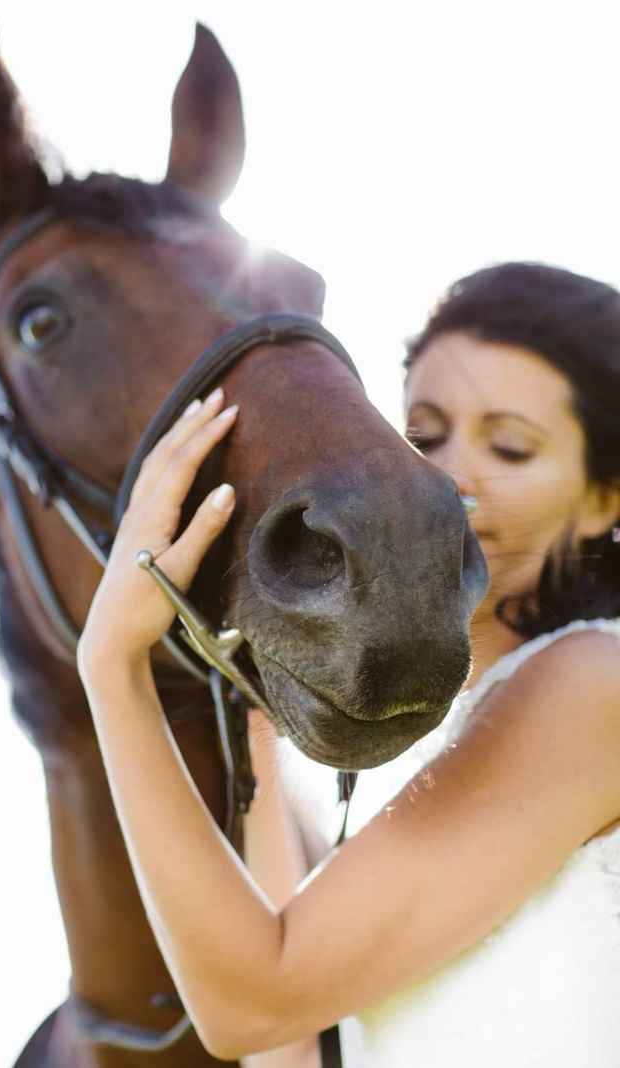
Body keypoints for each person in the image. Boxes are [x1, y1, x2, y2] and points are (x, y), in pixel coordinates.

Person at [78, 262, 620, 1067]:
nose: (452, 476)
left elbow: (254, 1002)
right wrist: (251, 685)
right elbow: (285, 1048)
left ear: (605, 500)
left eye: (510, 446)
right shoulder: (451, 746)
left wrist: (113, 668)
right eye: (424, 434)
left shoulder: (589, 681)